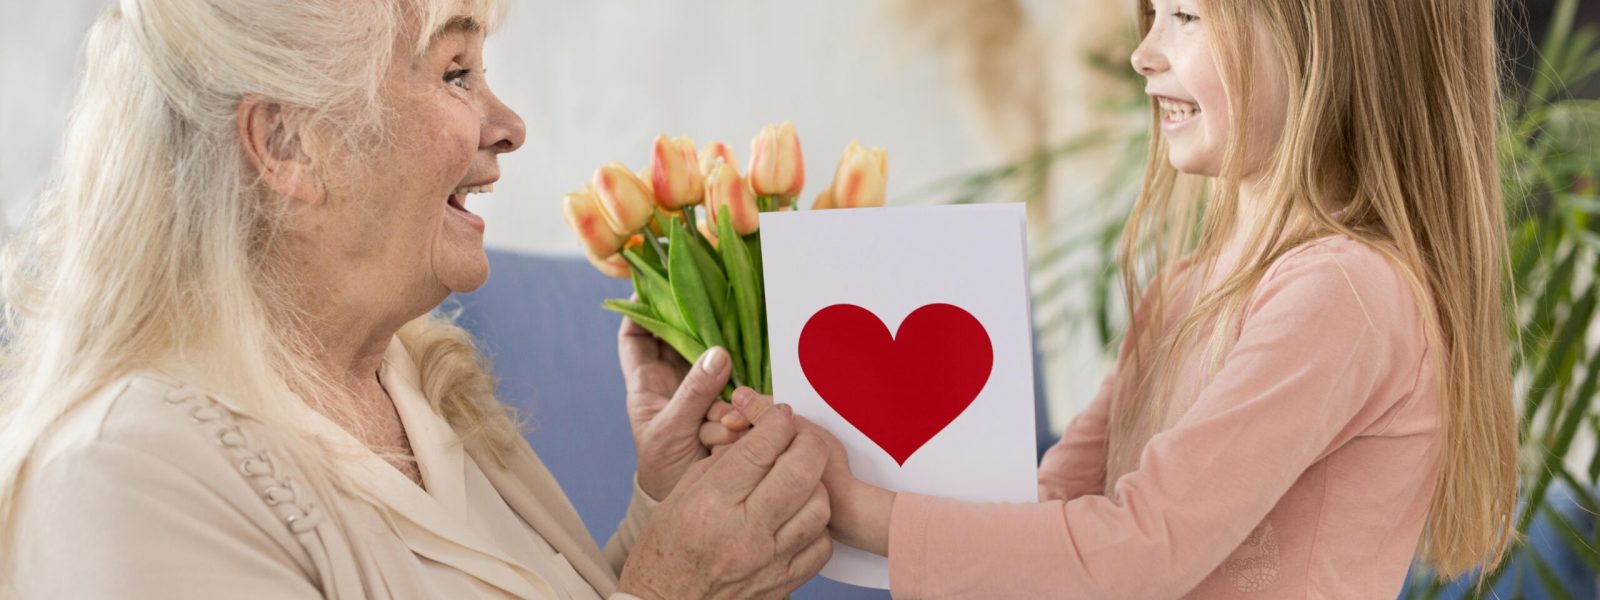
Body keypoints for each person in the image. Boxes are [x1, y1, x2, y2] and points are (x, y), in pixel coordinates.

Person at [0, 1, 831, 598]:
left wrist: (665, 521)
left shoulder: (417, 384)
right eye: (455, 71)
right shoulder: (125, 478)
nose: (507, 125)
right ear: (288, 143)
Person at [704, 0, 1518, 596]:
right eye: (1153, 13)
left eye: (1188, 17)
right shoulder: (1185, 290)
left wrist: (857, 507)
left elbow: (1138, 552)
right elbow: (1053, 512)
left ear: (1329, 42)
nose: (1143, 52)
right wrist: (812, 460)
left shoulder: (1345, 295)